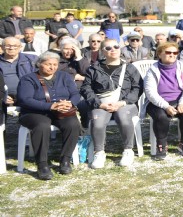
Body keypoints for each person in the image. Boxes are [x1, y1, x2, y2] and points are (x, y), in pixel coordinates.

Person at [16, 51, 81, 180]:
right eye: (48, 64)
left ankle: (65, 160)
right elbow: (25, 99)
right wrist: (50, 106)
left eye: (55, 64)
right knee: (42, 125)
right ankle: (42, 164)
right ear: (39, 64)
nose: (52, 67)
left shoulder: (64, 76)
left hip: (61, 110)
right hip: (34, 112)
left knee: (73, 124)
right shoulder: (28, 79)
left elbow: (75, 93)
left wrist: (69, 103)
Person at [79, 39, 142, 168]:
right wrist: (98, 104)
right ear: (102, 51)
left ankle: (128, 150)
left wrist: (122, 102)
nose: (112, 49)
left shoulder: (129, 67)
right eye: (108, 48)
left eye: (115, 46)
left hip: (125, 104)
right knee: (97, 121)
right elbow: (86, 88)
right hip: (102, 104)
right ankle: (99, 152)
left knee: (123, 117)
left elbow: (137, 88)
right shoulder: (94, 69)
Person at [144, 42, 183, 160]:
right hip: (159, 101)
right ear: (159, 54)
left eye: (175, 53)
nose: (172, 55)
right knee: (161, 116)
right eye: (168, 52)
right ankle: (162, 145)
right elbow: (150, 92)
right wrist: (165, 106)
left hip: (181, 99)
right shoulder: (152, 69)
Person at [0, 37, 37, 109]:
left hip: (28, 97)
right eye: (8, 45)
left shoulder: (32, 60)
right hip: (3, 99)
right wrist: (2, 96)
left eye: (15, 46)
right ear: (2, 47)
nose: (11, 48)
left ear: (20, 47)